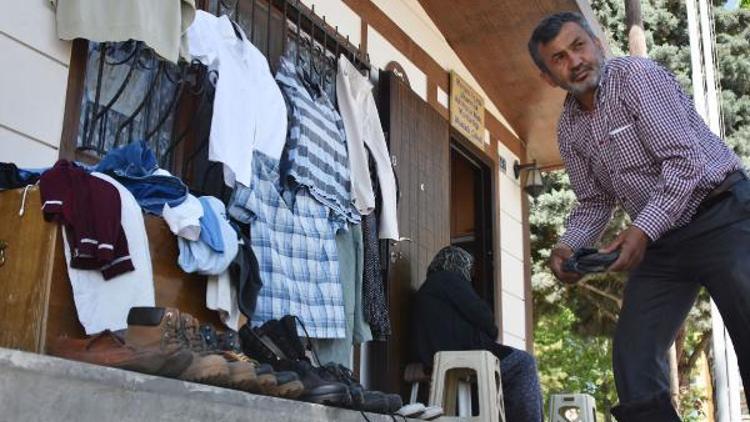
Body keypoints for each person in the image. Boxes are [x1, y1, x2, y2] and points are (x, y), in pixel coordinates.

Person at [527, 11, 750, 421]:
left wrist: (641, 230)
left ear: (598, 44)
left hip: (724, 216)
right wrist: (567, 245)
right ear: (548, 76)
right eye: (558, 58)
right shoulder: (569, 129)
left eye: (578, 46)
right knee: (633, 358)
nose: (574, 61)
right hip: (664, 244)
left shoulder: (636, 78)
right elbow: (595, 200)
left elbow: (685, 163)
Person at [412, 246, 543, 421]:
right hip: (461, 354)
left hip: (435, 357)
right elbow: (484, 317)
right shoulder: (449, 280)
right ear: (460, 264)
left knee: (494, 376)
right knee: (523, 363)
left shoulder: (430, 288)